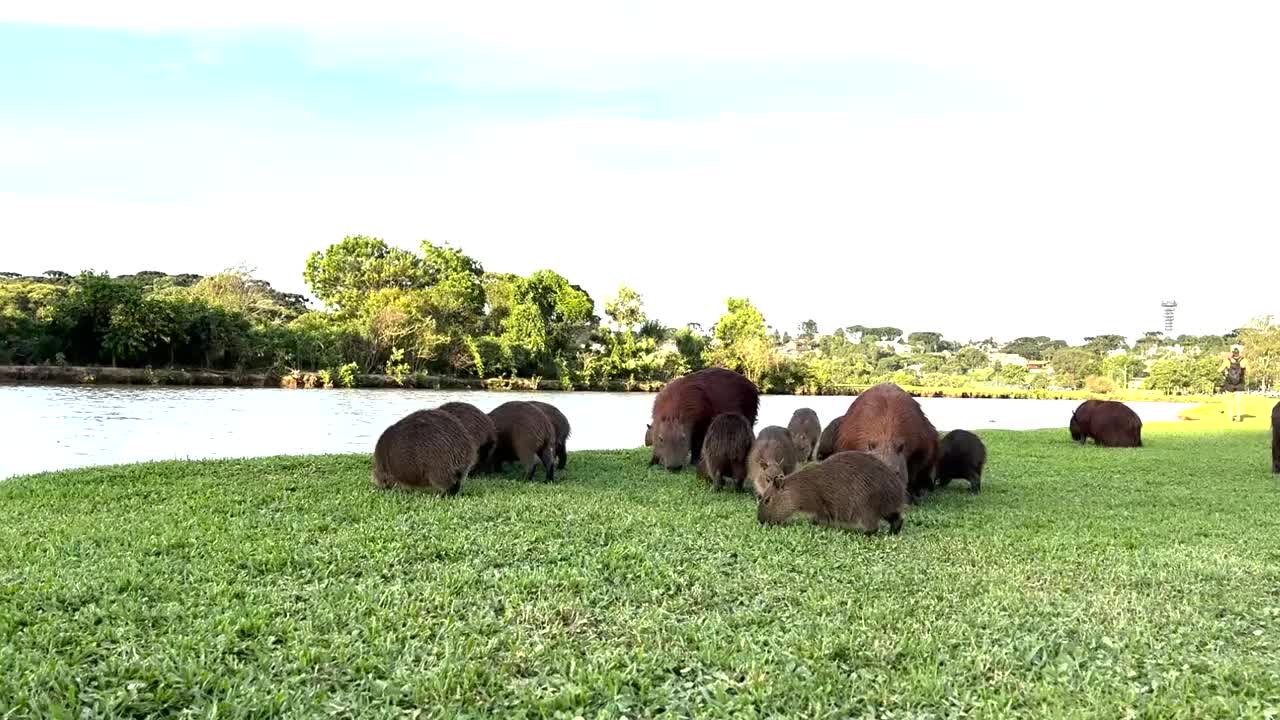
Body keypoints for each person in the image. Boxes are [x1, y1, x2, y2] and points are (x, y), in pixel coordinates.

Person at [1222, 347, 1246, 422]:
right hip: (1240, 383)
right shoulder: (1244, 360)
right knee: (1238, 401)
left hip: (1229, 383)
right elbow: (1249, 370)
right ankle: (1239, 417)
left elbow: (1219, 370)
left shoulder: (1227, 361)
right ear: (1239, 353)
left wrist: (1226, 372)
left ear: (1232, 353)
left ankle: (1231, 416)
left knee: (1229, 401)